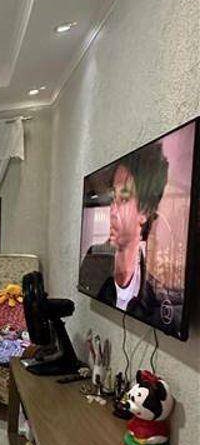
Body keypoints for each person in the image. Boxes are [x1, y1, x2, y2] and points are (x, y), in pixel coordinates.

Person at [79, 141, 182, 336]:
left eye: (124, 198)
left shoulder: (157, 301)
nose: (113, 211)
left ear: (145, 211)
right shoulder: (93, 262)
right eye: (113, 198)